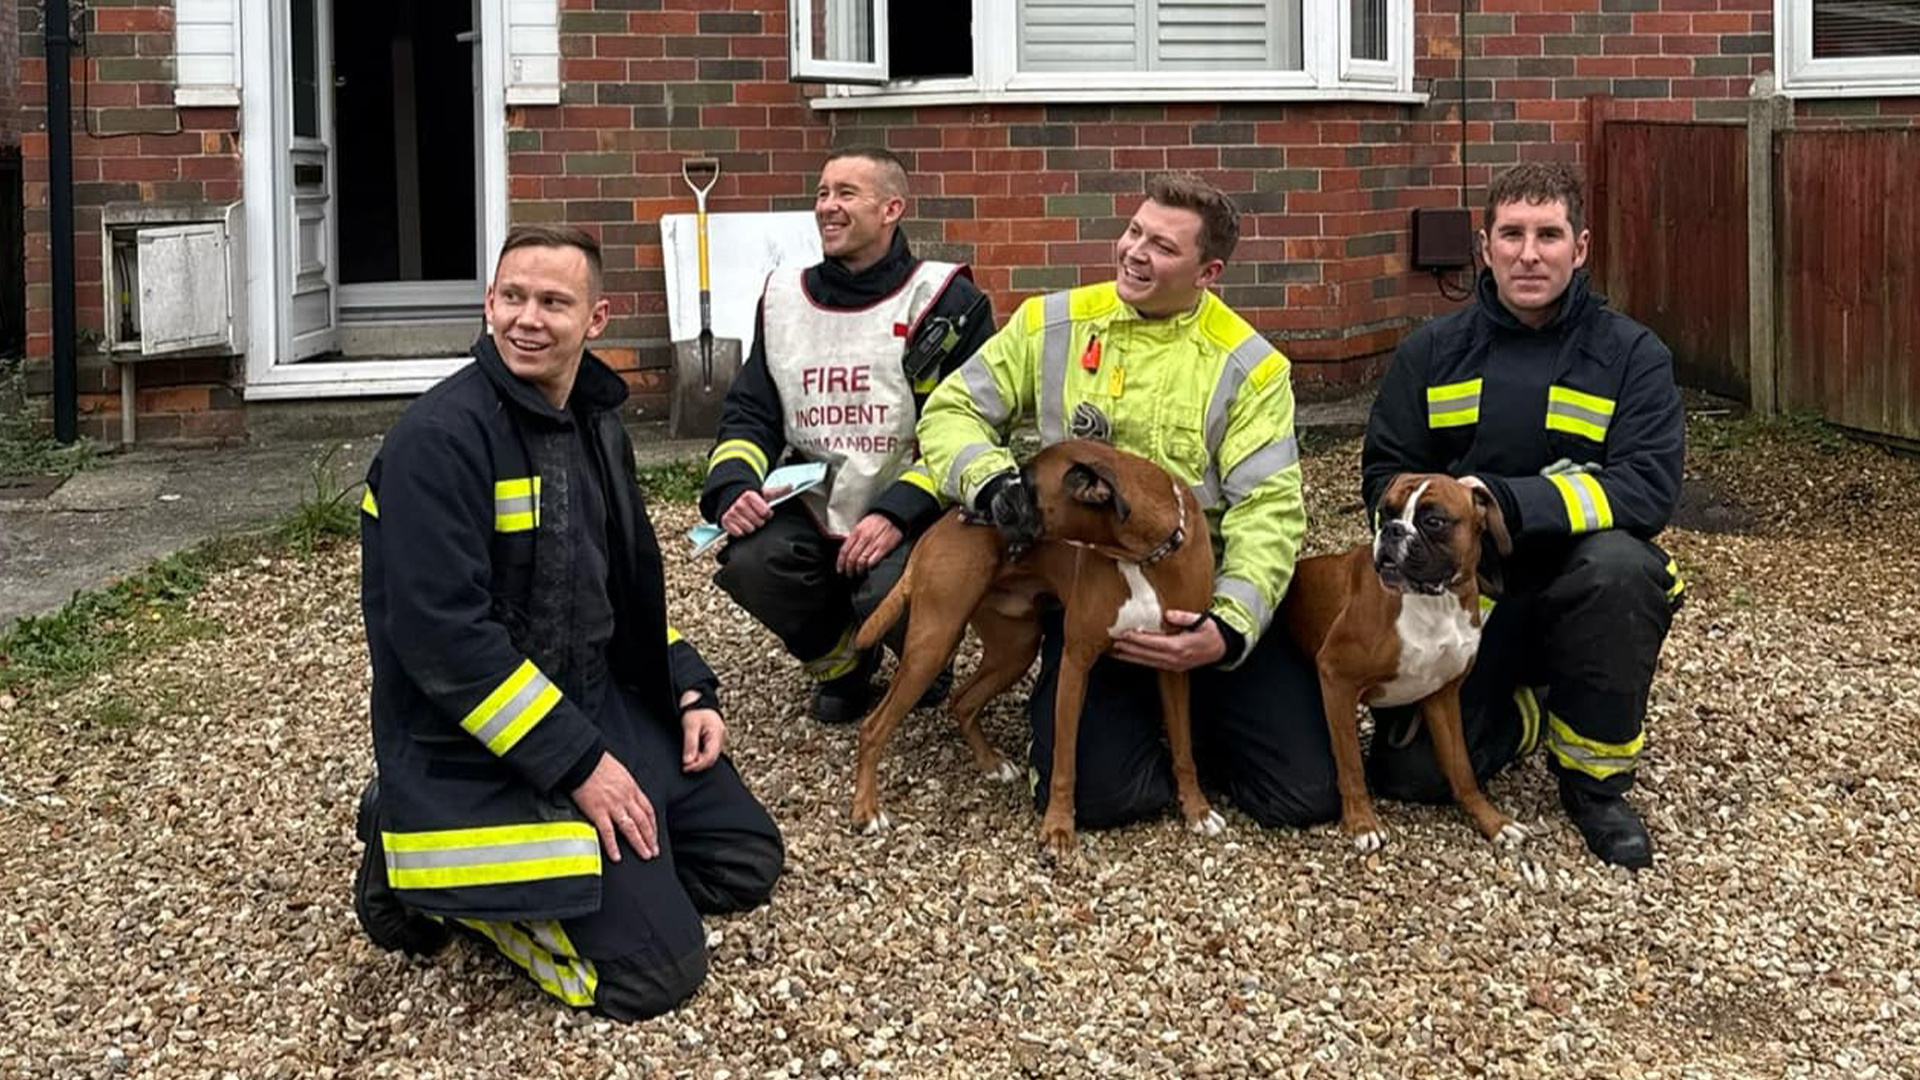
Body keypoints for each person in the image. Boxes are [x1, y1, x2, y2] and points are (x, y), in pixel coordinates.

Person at [354, 224, 783, 1019]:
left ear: (597, 319)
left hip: (593, 705)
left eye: (554, 302)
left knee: (743, 864)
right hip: (472, 749)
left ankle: (587, 876)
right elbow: (443, 641)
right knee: (656, 972)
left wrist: (688, 686)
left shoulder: (595, 423)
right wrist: (581, 765)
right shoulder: (436, 444)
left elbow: (618, 592)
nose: (528, 319)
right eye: (512, 297)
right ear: (487, 305)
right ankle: (411, 862)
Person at [918, 171, 1339, 830]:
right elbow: (954, 408)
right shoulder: (1050, 322)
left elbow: (1271, 511)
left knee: (1305, 797)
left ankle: (1192, 714)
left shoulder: (1249, 365)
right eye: (1134, 231)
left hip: (1199, 600)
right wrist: (994, 482)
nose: (1135, 252)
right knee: (1102, 800)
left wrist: (1226, 629)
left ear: (1208, 271)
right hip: (1096, 595)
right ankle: (1147, 727)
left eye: (1164, 247)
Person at [1360, 161, 1685, 869]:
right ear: (1484, 247)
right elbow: (1383, 476)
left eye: (1548, 234)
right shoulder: (1431, 354)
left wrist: (1508, 502)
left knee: (1626, 568)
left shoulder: (1632, 357)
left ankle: (1596, 783)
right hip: (1463, 598)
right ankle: (1533, 711)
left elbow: (1646, 488)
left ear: (1582, 246)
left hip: (1579, 585)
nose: (1529, 253)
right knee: (1408, 779)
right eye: (1511, 234)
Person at [698, 147, 996, 724]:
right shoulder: (783, 297)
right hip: (810, 501)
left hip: (919, 507)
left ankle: (925, 660)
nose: (827, 208)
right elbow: (751, 411)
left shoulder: (945, 302)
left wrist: (896, 512)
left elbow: (970, 426)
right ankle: (841, 667)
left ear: (891, 209)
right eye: (821, 193)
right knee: (753, 562)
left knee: (885, 587)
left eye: (846, 194)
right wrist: (733, 484)